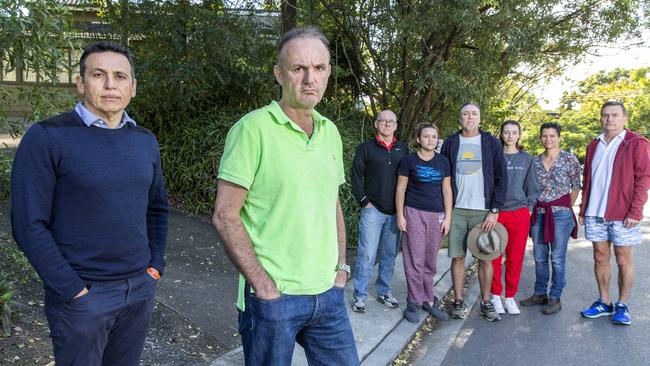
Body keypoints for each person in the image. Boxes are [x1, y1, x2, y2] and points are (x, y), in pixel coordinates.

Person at [11, 41, 168, 365]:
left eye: (120, 76)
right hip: (83, 297)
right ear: (81, 83)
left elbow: (157, 208)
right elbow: (28, 224)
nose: (111, 84)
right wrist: (71, 289)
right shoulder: (48, 137)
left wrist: (154, 267)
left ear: (133, 87)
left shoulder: (144, 141)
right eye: (99, 74)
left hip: (138, 289)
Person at [211, 27, 359, 365]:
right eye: (299, 69)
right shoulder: (252, 129)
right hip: (274, 299)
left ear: (328, 73)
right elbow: (225, 215)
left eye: (319, 68)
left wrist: (340, 269)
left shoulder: (329, 132)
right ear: (280, 74)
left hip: (328, 295)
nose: (310, 79)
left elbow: (331, 204)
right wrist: (264, 287)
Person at [578, 101, 650, 325]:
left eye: (615, 115)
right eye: (605, 115)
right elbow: (588, 180)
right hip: (594, 212)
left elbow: (644, 178)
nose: (609, 119)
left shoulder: (636, 143)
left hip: (623, 213)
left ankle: (622, 305)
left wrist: (636, 211)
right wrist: (583, 207)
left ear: (625, 118)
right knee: (600, 256)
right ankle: (604, 302)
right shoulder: (593, 145)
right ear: (601, 118)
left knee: (622, 258)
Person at [440, 103, 508, 322]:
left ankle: (486, 302)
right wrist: (445, 212)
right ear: (459, 118)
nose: (470, 117)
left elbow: (501, 177)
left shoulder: (491, 143)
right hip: (457, 210)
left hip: (483, 211)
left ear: (480, 118)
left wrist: (494, 210)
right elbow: (444, 179)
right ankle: (458, 301)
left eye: (474, 113)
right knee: (457, 257)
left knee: (486, 259)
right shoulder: (451, 143)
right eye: (465, 113)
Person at [350, 110, 408, 313]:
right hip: (372, 211)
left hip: (395, 213)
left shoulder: (403, 149)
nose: (387, 124)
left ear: (396, 125)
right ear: (376, 124)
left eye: (391, 121)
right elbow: (356, 176)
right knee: (366, 254)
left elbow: (408, 179)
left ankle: (384, 291)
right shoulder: (366, 148)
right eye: (383, 121)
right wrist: (364, 202)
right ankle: (360, 295)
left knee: (389, 255)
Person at [520, 122, 581, 315]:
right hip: (539, 213)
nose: (548, 139)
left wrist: (564, 207)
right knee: (539, 257)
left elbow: (576, 187)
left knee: (557, 258)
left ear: (559, 137)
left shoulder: (569, 160)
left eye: (552, 135)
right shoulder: (535, 161)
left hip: (561, 215)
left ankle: (555, 297)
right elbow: (529, 187)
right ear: (541, 138)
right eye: (544, 136)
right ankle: (540, 293)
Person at [395, 123, 452, 323]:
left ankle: (428, 299)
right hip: (413, 213)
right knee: (415, 260)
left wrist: (448, 217)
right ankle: (413, 301)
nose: (430, 139)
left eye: (434, 136)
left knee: (430, 260)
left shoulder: (443, 161)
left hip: (436, 215)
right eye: (426, 136)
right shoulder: (409, 160)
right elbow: (401, 189)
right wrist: (400, 215)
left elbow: (447, 190)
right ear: (418, 139)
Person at [489, 121, 539, 315]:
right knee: (493, 255)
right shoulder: (494, 156)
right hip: (496, 212)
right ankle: (495, 295)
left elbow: (532, 187)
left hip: (519, 212)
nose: (510, 136)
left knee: (515, 257)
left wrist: (528, 209)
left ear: (519, 135)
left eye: (514, 132)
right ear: (501, 134)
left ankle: (510, 296)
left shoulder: (527, 158)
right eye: (507, 132)